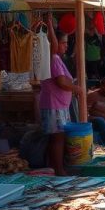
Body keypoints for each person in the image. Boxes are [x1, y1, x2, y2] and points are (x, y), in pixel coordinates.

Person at [40, 24, 81, 175]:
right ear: (55, 43)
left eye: (66, 43)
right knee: (58, 138)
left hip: (57, 104)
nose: (66, 46)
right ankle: (59, 170)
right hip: (54, 105)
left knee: (57, 138)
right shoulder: (54, 58)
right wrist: (77, 89)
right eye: (63, 43)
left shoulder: (54, 58)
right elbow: (61, 82)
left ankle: (56, 168)